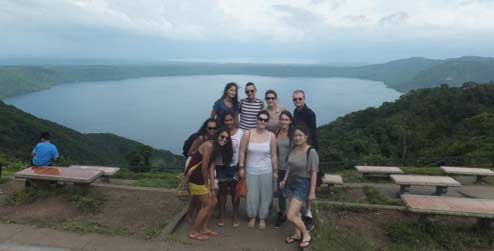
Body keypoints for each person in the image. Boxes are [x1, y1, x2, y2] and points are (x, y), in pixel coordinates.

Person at [187, 128, 233, 241]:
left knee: (214, 201)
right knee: (208, 203)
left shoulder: (217, 148)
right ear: (217, 136)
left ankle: (204, 228)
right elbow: (204, 167)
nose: (224, 139)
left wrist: (212, 186)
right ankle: (194, 232)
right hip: (196, 177)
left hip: (202, 177)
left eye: (226, 138)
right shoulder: (209, 145)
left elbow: (212, 168)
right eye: (222, 136)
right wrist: (207, 186)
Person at [280, 125, 318, 249]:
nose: (297, 138)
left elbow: (313, 172)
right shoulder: (294, 149)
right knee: (296, 213)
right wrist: (284, 180)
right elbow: (289, 166)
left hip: (303, 184)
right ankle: (297, 234)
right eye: (295, 135)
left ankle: (306, 235)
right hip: (291, 182)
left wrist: (312, 191)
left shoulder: (311, 151)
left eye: (300, 135)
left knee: (290, 215)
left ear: (306, 136)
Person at [239, 110, 278, 230]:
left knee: (266, 196)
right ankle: (252, 216)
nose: (262, 121)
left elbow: (273, 155)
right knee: (252, 195)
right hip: (251, 170)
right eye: (260, 119)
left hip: (267, 170)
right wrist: (241, 166)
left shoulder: (271, 136)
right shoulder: (247, 133)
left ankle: (262, 217)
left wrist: (275, 171)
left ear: (267, 122)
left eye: (265, 120)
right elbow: (242, 151)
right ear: (257, 119)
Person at [292, 89, 318, 231]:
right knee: (300, 180)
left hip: (307, 150)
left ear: (304, 99)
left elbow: (313, 133)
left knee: (308, 181)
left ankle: (308, 213)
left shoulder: (310, 114)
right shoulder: (296, 112)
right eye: (295, 99)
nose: (297, 101)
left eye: (300, 99)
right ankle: (302, 211)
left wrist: (311, 152)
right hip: (298, 149)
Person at [185, 119, 218, 223]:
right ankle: (191, 215)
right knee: (196, 194)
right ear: (206, 128)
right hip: (196, 165)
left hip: (206, 166)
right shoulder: (201, 138)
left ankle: (198, 214)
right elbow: (190, 152)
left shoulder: (215, 140)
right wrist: (202, 153)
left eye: (214, 128)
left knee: (200, 194)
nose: (212, 130)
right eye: (210, 128)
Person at [216, 112, 243, 227]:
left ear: (234, 120)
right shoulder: (220, 132)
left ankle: (235, 215)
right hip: (221, 166)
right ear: (223, 121)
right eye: (226, 120)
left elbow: (243, 150)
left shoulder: (241, 133)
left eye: (230, 119)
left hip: (234, 167)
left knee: (234, 192)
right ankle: (222, 214)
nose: (228, 122)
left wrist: (241, 166)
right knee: (222, 192)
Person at [274, 111, 293, 228]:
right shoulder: (277, 132)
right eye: (282, 119)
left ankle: (299, 216)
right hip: (279, 167)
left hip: (290, 168)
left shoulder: (293, 134)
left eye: (286, 120)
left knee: (290, 193)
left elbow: (294, 153)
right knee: (281, 193)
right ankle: (282, 213)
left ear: (290, 121)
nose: (284, 122)